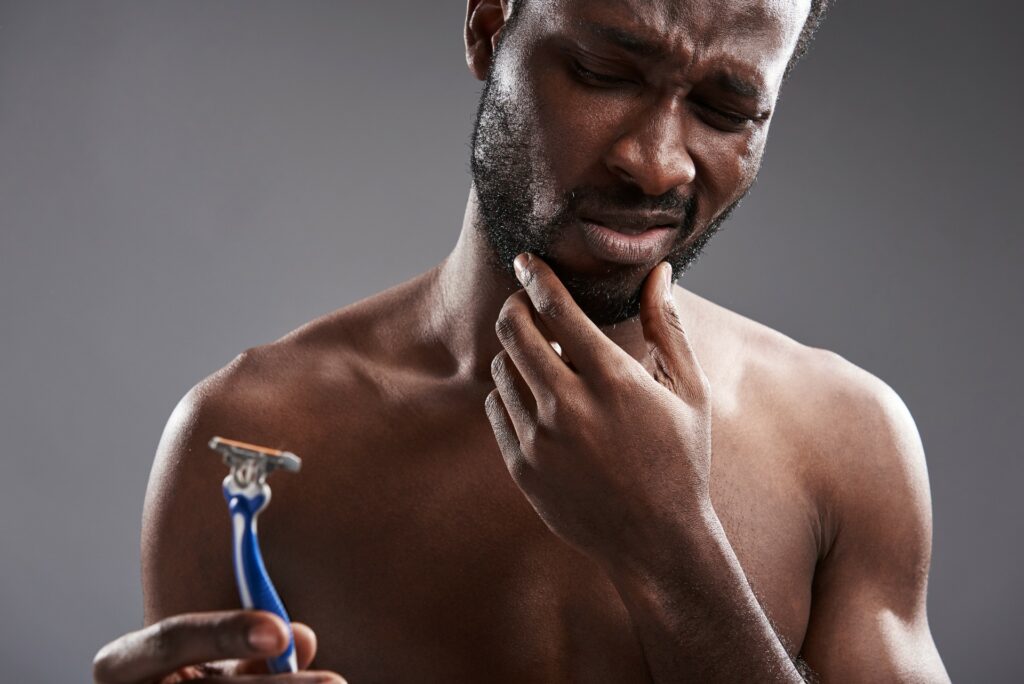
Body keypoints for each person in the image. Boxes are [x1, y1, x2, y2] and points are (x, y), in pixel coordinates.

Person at [93, 0, 951, 681]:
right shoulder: (252, 440)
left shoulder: (846, 444)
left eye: (727, 111)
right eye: (604, 70)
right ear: (489, 24)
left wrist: (672, 544)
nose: (657, 163)